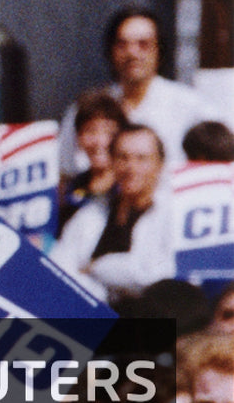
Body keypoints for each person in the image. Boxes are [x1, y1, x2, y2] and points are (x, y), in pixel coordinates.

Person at [58, 7, 217, 176]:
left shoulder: (192, 107)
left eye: (144, 44)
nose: (132, 53)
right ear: (111, 51)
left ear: (159, 50)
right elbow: (64, 171)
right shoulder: (87, 109)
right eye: (122, 44)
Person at [49, 124, 175, 304]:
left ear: (159, 164)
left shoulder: (172, 214)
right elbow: (60, 269)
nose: (131, 167)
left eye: (142, 159)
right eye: (123, 158)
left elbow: (155, 274)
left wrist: (95, 267)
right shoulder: (93, 213)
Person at [58, 89, 128, 233]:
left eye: (109, 132)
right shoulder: (71, 189)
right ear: (78, 137)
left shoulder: (128, 185)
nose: (99, 141)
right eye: (90, 131)